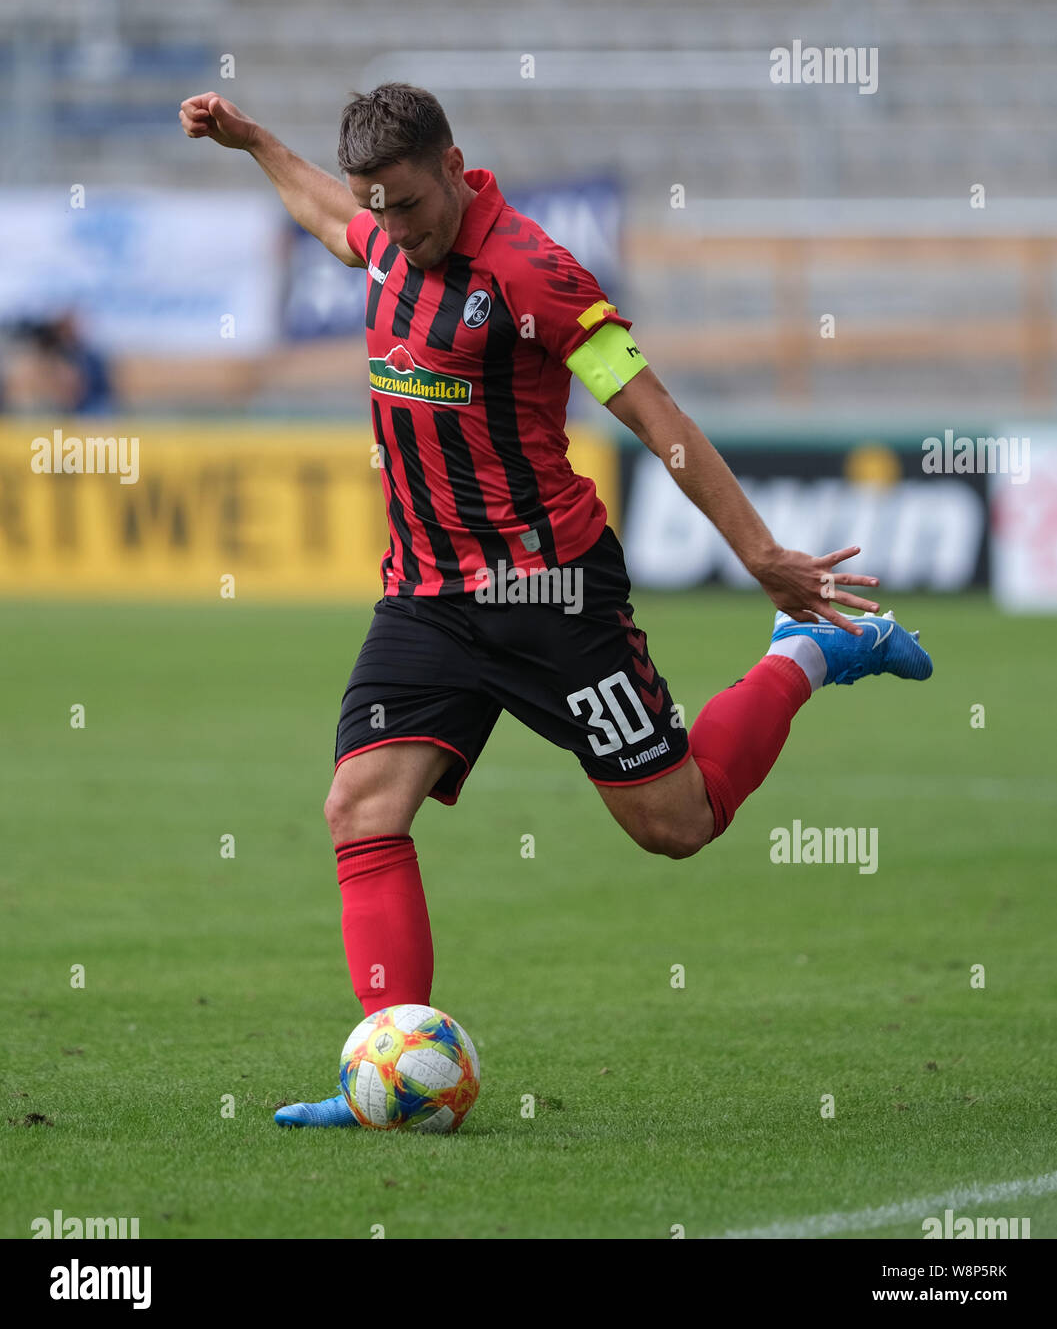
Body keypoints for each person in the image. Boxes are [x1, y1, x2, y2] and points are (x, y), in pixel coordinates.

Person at [179, 83, 932, 1128]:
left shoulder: (533, 273)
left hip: (550, 595)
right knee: (361, 807)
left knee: (677, 825)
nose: (390, 228)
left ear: (452, 165)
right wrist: (255, 140)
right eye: (376, 207)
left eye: (404, 202)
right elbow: (327, 215)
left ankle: (802, 653)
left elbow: (651, 408)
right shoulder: (391, 239)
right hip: (428, 597)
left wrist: (759, 551)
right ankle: (387, 1072)